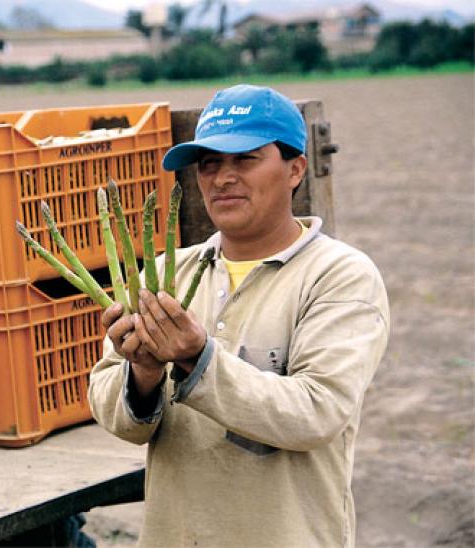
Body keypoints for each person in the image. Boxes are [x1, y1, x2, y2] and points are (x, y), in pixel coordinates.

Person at [88, 84, 389, 547]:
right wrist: (143, 373)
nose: (222, 177)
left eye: (245, 158)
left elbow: (316, 413)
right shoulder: (165, 273)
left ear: (295, 170)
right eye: (209, 163)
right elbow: (117, 415)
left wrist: (198, 358)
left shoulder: (340, 277)